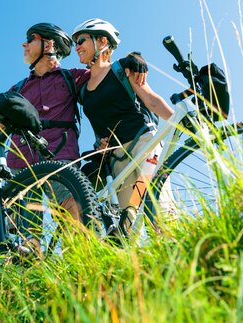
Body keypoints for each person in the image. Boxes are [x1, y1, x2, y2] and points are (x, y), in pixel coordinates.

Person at [0, 22, 148, 255]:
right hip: (20, 165)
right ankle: (28, 284)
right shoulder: (18, 89)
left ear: (49, 44)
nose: (23, 44)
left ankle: (83, 276)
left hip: (59, 159)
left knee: (75, 220)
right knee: (24, 239)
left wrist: (131, 59)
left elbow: (105, 77)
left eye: (31, 38)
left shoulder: (72, 78)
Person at [71, 18, 174, 228]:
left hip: (144, 145)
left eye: (81, 40)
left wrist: (181, 122)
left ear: (101, 41)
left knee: (158, 207)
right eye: (75, 43)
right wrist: (100, 146)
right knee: (126, 225)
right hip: (117, 160)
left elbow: (151, 101)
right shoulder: (82, 91)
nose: (77, 47)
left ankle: (180, 255)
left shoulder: (123, 70)